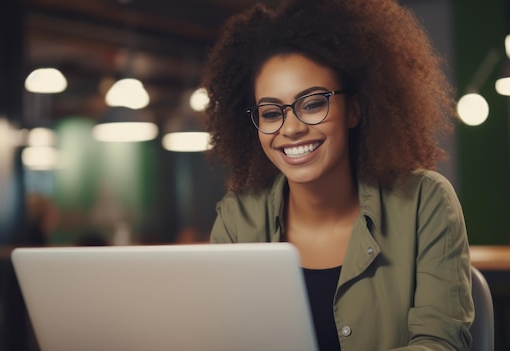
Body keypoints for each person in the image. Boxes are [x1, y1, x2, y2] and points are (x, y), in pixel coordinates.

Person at [202, 0, 474, 350]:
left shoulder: (425, 201)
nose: (292, 128)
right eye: (271, 113)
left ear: (354, 110)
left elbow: (441, 343)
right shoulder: (237, 218)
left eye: (313, 103)